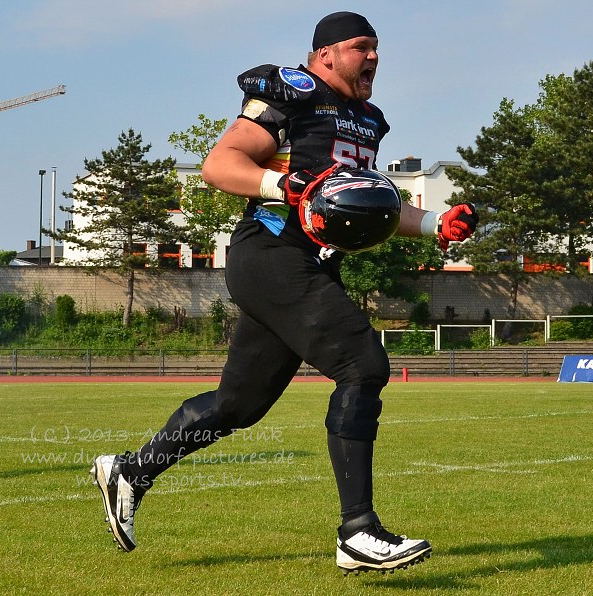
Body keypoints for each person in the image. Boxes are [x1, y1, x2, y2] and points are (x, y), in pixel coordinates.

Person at [91, 11, 478, 575]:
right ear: (324, 54)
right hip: (270, 251)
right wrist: (284, 183)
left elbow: (363, 202)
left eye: (377, 49)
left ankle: (131, 470)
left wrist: (434, 223)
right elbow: (219, 164)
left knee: (236, 406)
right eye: (361, 47)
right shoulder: (293, 93)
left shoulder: (368, 118)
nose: (373, 58)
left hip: (312, 264)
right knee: (363, 364)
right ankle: (358, 533)